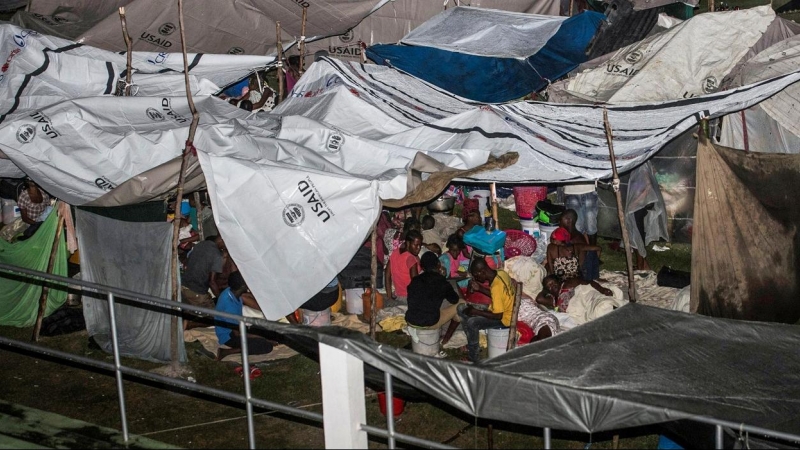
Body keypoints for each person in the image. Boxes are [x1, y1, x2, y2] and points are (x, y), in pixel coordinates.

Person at [457, 258, 516, 363]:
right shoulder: (500, 273)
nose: (476, 278)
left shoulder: (496, 286)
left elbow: (498, 316)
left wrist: (476, 312)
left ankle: (473, 357)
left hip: (505, 320)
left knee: (472, 323)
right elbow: (498, 296)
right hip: (500, 309)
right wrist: (479, 288)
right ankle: (473, 343)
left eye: (476, 275)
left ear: (482, 272)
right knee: (462, 308)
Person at [405, 253, 464, 345]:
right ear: (439, 264)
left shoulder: (415, 280)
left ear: (422, 267)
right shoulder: (441, 281)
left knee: (429, 302)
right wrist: (443, 279)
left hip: (410, 320)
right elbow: (454, 300)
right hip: (430, 322)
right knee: (462, 303)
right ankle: (445, 339)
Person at [214, 271, 273, 360]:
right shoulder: (229, 306)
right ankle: (227, 351)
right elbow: (238, 333)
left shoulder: (231, 291)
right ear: (242, 286)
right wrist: (261, 337)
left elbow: (249, 297)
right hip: (229, 336)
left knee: (268, 329)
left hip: (238, 327)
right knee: (266, 346)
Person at [181, 235, 227, 327]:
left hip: (184, 285)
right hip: (196, 291)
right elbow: (212, 282)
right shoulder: (217, 255)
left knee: (192, 310)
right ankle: (189, 325)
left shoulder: (201, 244)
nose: (225, 247)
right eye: (225, 245)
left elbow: (187, 262)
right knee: (216, 317)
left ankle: (186, 323)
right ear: (222, 240)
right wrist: (221, 298)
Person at [385, 229, 423, 305]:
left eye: (420, 245)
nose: (418, 248)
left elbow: (387, 275)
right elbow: (416, 283)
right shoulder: (411, 259)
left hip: (398, 295)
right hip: (409, 297)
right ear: (408, 243)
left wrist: (389, 297)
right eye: (415, 245)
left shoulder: (395, 253)